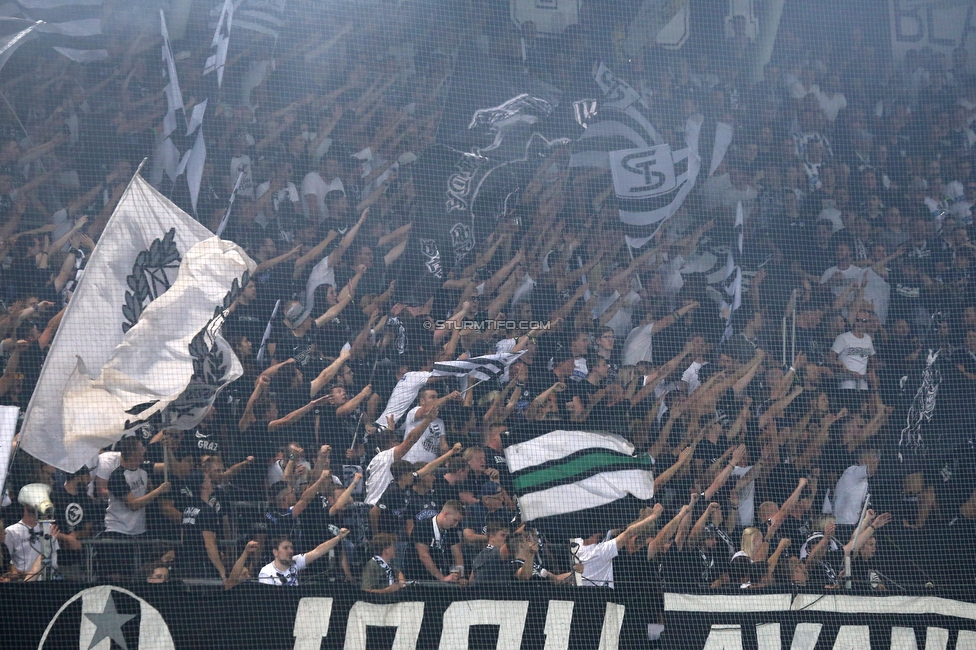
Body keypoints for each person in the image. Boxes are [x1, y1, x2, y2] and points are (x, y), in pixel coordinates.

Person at [572, 505, 671, 588]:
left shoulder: (639, 555)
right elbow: (627, 533)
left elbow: (659, 539)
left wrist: (654, 516)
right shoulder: (607, 548)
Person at [258, 529, 350, 586]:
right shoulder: (266, 572)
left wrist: (338, 537)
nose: (290, 551)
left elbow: (318, 551)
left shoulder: (295, 561)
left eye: (291, 548)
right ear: (275, 552)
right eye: (285, 548)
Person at [411, 500, 466, 582]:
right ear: (446, 514)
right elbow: (424, 555)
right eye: (455, 520)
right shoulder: (422, 527)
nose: (455, 525)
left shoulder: (451, 530)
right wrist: (442, 578)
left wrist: (460, 577)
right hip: (420, 578)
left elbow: (457, 554)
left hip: (443, 576)